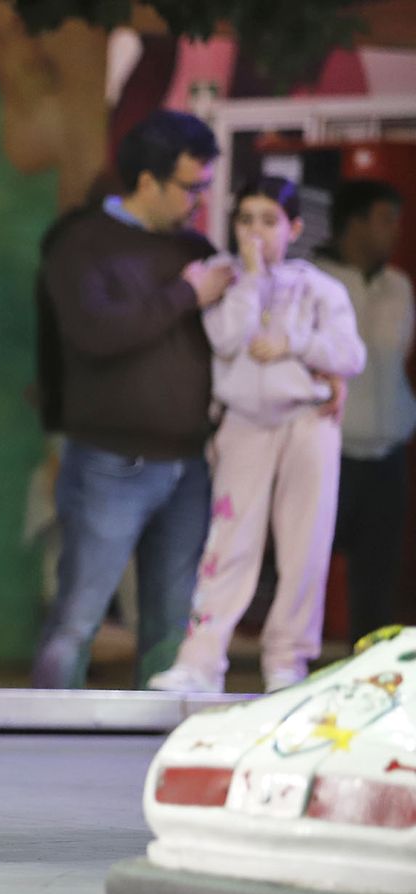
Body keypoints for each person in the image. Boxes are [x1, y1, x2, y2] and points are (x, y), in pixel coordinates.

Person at [31, 110, 233, 690]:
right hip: (110, 464)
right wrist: (186, 293)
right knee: (77, 618)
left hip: (190, 465)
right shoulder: (81, 243)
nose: (199, 200)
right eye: (190, 186)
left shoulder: (193, 247)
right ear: (147, 181)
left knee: (172, 625)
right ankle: (35, 747)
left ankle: (157, 757)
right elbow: (95, 334)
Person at [149, 178, 366, 694]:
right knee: (228, 543)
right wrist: (248, 278)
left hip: (307, 422)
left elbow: (349, 354)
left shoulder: (319, 287)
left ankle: (287, 662)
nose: (255, 231)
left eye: (269, 221)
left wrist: (293, 342)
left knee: (304, 546)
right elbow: (225, 338)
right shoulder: (220, 278)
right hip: (244, 422)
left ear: (292, 227)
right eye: (246, 219)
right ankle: (200, 662)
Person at [314, 179, 416, 641]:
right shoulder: (312, 280)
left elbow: (397, 354)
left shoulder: (398, 285)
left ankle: (368, 678)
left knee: (378, 577)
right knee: (309, 567)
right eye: (384, 218)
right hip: (329, 449)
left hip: (389, 453)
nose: (395, 230)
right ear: (352, 222)